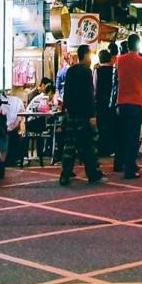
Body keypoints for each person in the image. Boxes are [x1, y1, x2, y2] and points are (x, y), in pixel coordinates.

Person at [59, 44, 104, 186]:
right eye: (89, 55)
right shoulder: (86, 71)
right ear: (85, 55)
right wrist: (92, 115)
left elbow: (66, 92)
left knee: (70, 146)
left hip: (72, 114)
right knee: (88, 145)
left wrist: (65, 110)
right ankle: (93, 174)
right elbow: (89, 95)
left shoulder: (70, 71)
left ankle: (65, 174)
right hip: (84, 114)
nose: (90, 58)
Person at [114, 34, 142, 179]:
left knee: (122, 135)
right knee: (132, 138)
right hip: (135, 103)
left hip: (121, 104)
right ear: (138, 45)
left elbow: (118, 80)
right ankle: (130, 170)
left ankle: (123, 164)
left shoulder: (119, 60)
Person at [95, 49, 116, 157]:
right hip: (112, 102)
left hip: (100, 102)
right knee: (112, 125)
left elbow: (94, 87)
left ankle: (103, 149)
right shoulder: (114, 70)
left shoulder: (97, 71)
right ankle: (112, 148)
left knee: (102, 126)